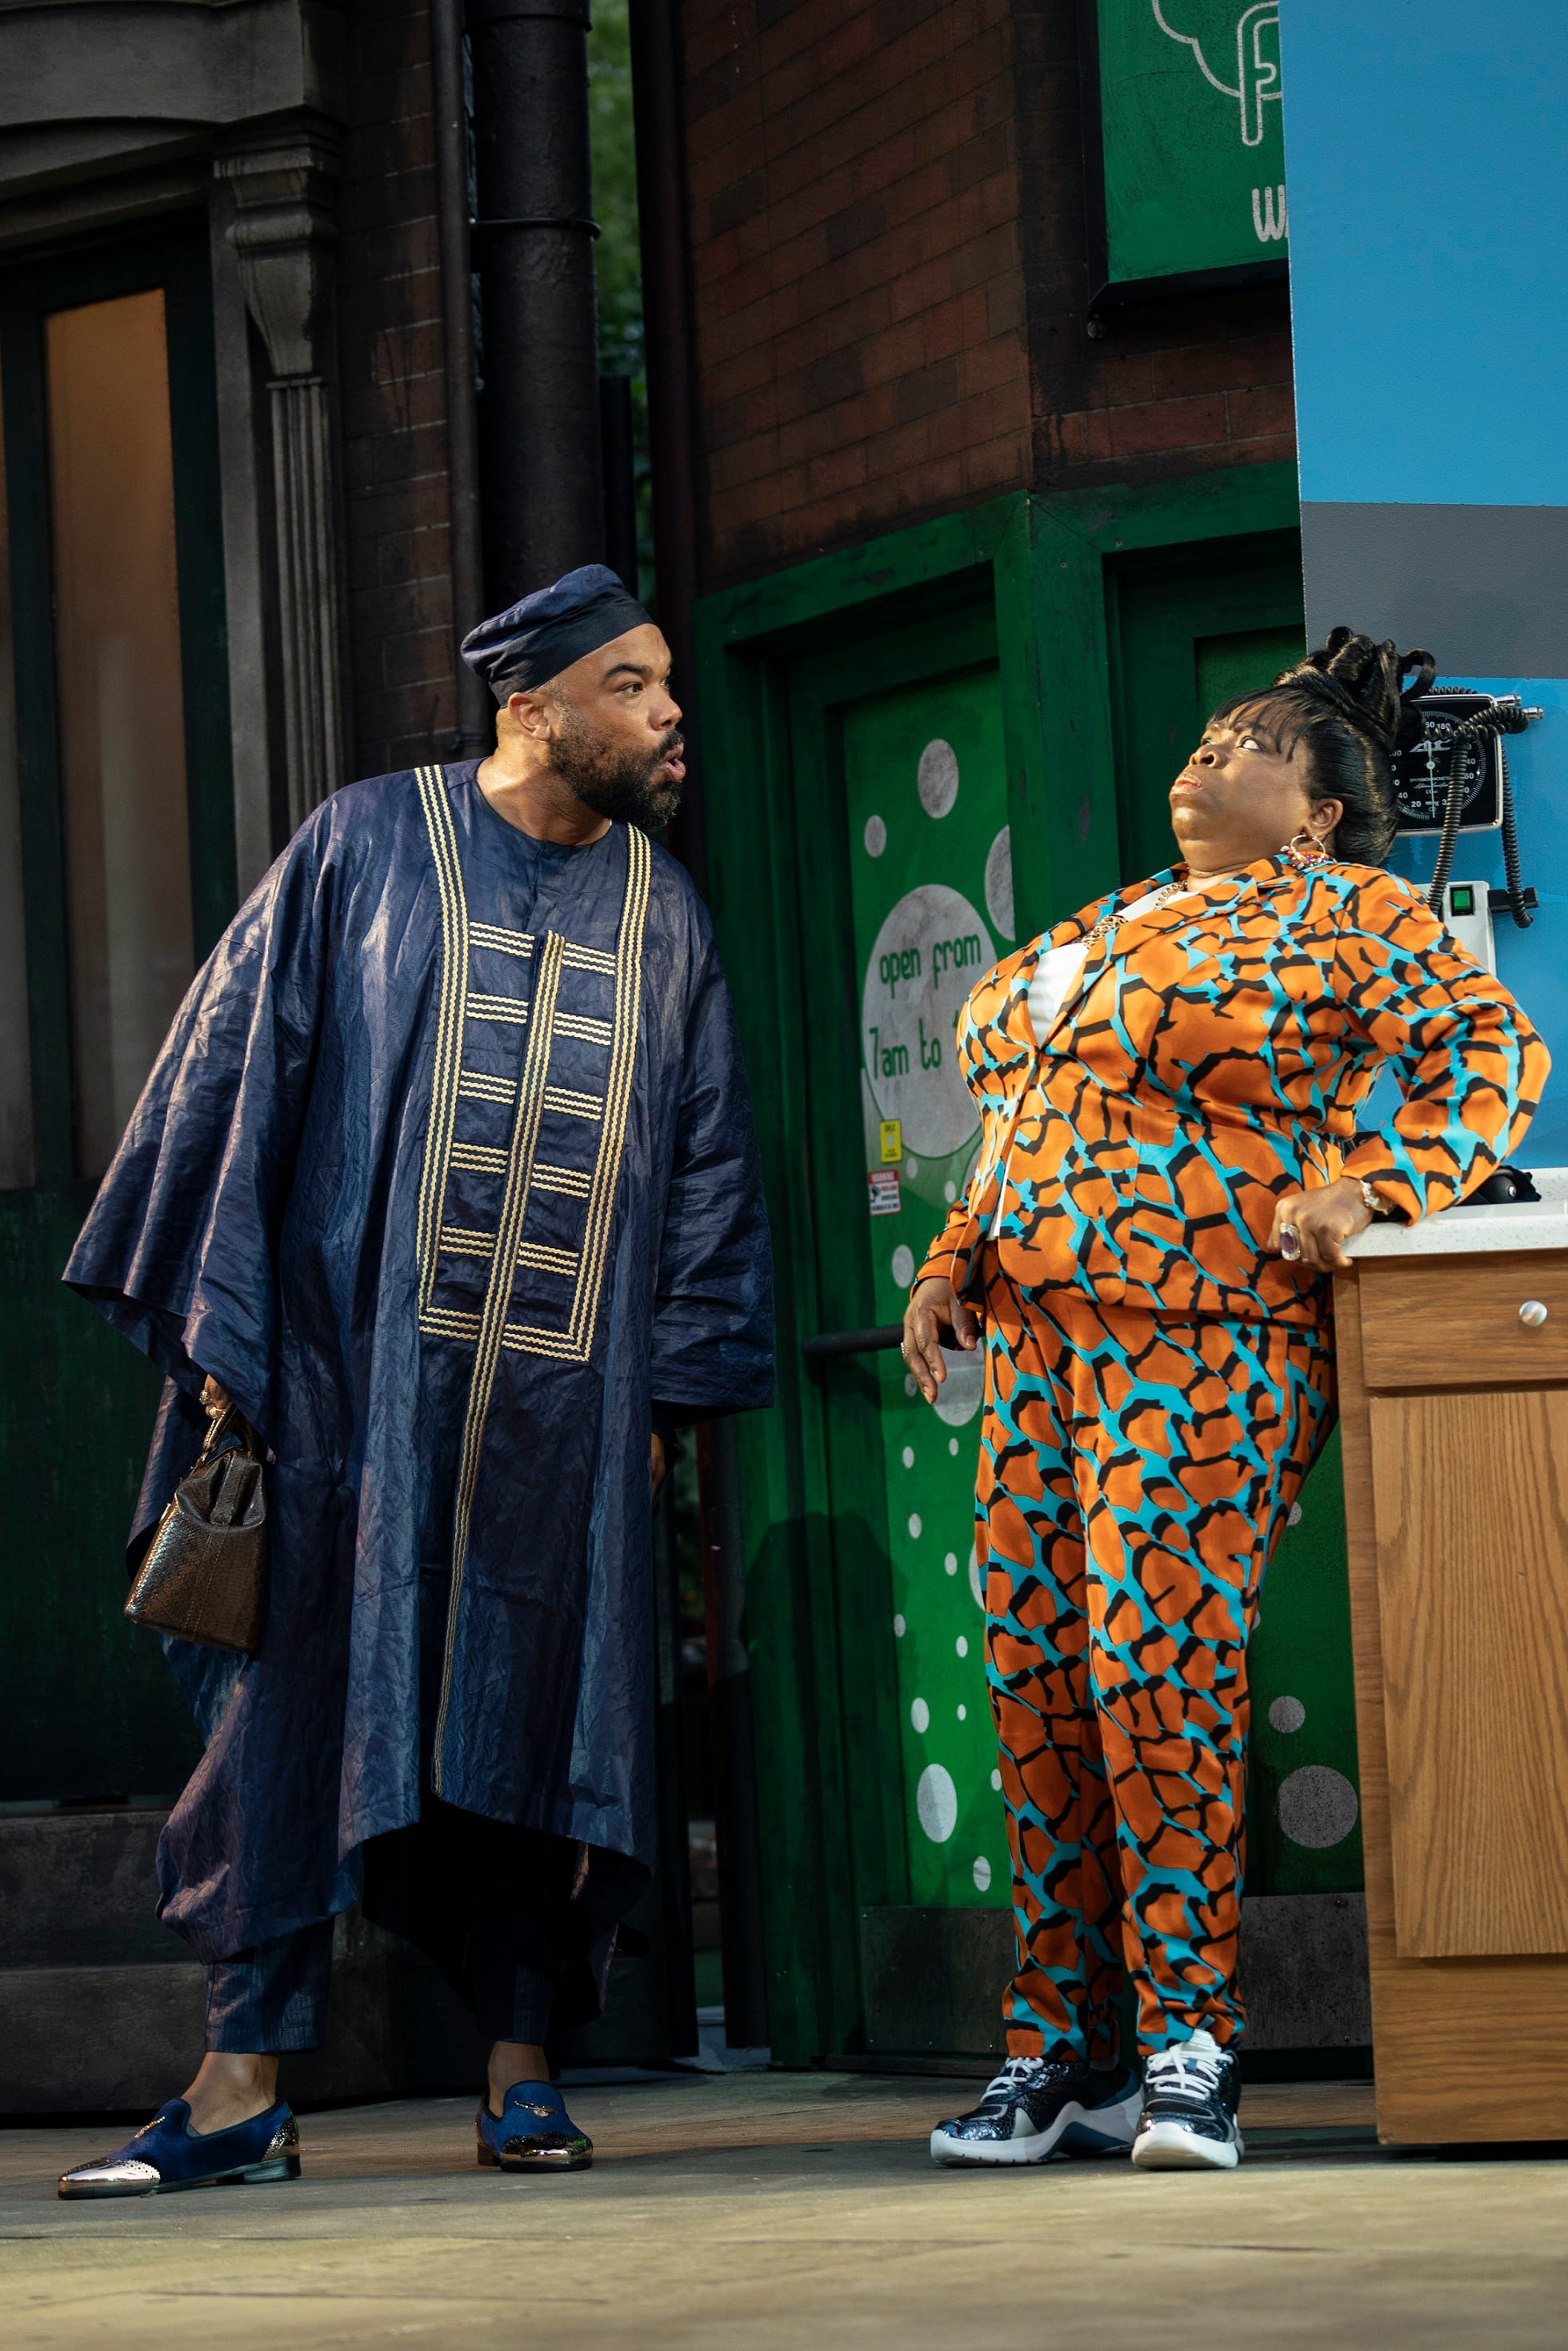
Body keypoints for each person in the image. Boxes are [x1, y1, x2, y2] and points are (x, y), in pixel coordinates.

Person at [57, 567, 773, 2199]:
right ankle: (239, 2084)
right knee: (286, 1709)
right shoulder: (368, 846)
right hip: (342, 1390)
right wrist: (231, 1341)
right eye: (629, 684)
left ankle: (522, 2068)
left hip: (559, 1414)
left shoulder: (667, 915)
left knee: (539, 1702)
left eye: (665, 683)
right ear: (531, 707)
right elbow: (238, 1071)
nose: (668, 712)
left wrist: (665, 1400)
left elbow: (707, 1165)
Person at [904, 630, 1547, 2173]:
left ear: (1318, 811)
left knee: (1157, 1669)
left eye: (1253, 742)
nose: (1211, 752)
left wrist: (1374, 1183)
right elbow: (1025, 1109)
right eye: (1207, 735)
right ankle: (1063, 2054)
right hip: (1036, 1341)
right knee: (1041, 1686)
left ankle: (1191, 2049)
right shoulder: (1117, 916)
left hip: (1205, 1337)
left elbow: (1493, 1050)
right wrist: (948, 1258)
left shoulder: (1352, 912)